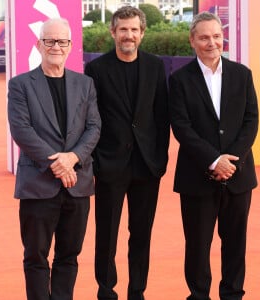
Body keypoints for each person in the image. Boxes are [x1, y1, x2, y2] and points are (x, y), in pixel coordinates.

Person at [7, 18, 101, 300]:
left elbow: (94, 127)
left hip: (77, 184)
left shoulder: (85, 84)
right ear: (39, 44)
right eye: (49, 40)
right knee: (36, 256)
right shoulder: (21, 84)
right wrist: (57, 165)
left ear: (70, 46)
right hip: (38, 184)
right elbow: (22, 130)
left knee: (69, 256)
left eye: (62, 41)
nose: (56, 46)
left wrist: (73, 157)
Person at [169, 11, 259, 300]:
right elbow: (181, 126)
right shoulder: (180, 79)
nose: (212, 42)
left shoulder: (241, 74)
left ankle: (232, 294)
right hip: (197, 176)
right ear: (192, 40)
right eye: (205, 37)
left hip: (238, 174)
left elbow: (251, 120)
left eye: (217, 36)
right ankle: (199, 295)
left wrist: (231, 159)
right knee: (197, 245)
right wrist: (213, 159)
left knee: (235, 243)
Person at [85, 6, 170, 300]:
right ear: (113, 32)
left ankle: (137, 291)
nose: (129, 35)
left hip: (147, 166)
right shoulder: (97, 69)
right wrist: (96, 161)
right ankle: (106, 290)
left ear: (143, 33)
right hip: (110, 165)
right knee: (106, 235)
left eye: (134, 30)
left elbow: (162, 115)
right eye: (123, 29)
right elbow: (91, 118)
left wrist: (160, 157)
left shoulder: (156, 66)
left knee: (141, 235)